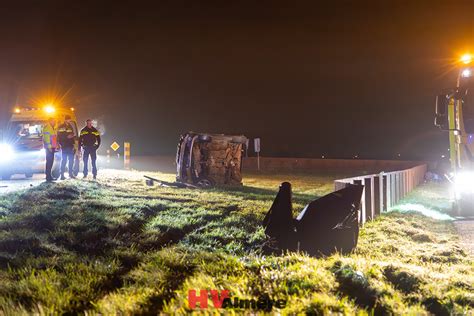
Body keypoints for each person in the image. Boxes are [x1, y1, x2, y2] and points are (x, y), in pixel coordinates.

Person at [58, 115, 76, 180]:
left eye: (70, 120)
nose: (69, 121)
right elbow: (60, 136)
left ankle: (70, 174)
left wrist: (73, 143)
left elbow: (72, 134)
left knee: (71, 160)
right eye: (68, 119)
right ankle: (62, 175)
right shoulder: (61, 126)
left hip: (70, 145)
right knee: (64, 160)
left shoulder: (70, 126)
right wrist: (67, 137)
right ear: (66, 119)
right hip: (64, 146)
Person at [42, 117, 58, 181]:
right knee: (49, 162)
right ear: (50, 121)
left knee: (51, 162)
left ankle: (49, 176)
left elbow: (54, 138)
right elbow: (47, 138)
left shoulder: (52, 127)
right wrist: (49, 147)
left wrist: (56, 145)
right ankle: (48, 176)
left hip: (52, 147)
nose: (55, 122)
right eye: (54, 121)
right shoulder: (47, 128)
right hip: (49, 148)